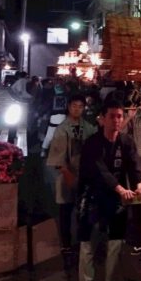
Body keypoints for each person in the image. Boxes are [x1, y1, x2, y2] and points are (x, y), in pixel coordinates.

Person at [77, 97, 141, 281]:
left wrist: (140, 185)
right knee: (87, 243)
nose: (116, 120)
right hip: (92, 196)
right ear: (102, 119)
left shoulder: (126, 142)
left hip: (117, 198)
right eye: (112, 116)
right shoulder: (92, 143)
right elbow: (100, 172)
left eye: (120, 116)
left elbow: (135, 166)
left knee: (116, 242)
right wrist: (121, 189)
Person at [46, 92, 95, 252]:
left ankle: (82, 240)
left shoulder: (87, 127)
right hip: (66, 174)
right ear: (69, 107)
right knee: (65, 210)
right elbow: (58, 155)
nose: (77, 109)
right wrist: (66, 172)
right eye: (74, 106)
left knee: (83, 209)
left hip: (84, 175)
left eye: (80, 107)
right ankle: (66, 242)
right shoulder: (62, 129)